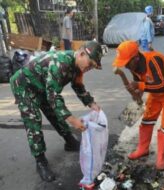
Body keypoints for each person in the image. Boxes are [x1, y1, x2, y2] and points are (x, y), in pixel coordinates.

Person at [10, 41, 103, 182]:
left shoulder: (78, 67)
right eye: (90, 64)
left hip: (42, 86)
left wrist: (91, 103)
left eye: (93, 67)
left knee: (56, 114)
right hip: (24, 86)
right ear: (82, 54)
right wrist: (73, 120)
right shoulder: (61, 63)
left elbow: (78, 86)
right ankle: (40, 161)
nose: (89, 68)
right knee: (33, 122)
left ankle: (69, 141)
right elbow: (53, 97)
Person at [112, 40, 164, 170]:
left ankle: (161, 156)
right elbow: (142, 87)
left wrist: (140, 86)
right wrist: (137, 94)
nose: (126, 67)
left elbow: (162, 85)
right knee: (146, 121)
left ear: (136, 58)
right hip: (155, 94)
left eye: (127, 63)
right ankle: (143, 149)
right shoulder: (134, 68)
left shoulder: (154, 60)